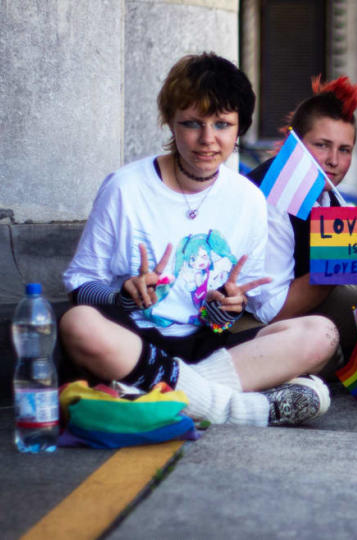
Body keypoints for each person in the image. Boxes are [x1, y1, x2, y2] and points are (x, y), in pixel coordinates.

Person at [60, 53, 336, 428]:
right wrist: (123, 296)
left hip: (204, 348)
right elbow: (79, 284)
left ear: (239, 129)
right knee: (78, 324)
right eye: (193, 124)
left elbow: (232, 311)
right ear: (171, 123)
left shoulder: (248, 199)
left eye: (222, 124)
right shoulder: (125, 188)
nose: (208, 140)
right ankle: (236, 410)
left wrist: (226, 307)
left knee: (320, 333)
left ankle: (157, 401)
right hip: (132, 342)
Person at [245, 76, 357, 377]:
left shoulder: (330, 196)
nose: (333, 161)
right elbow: (270, 310)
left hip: (301, 309)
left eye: (344, 150)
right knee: (329, 348)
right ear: (295, 144)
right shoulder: (276, 193)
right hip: (243, 323)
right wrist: (339, 265)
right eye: (322, 145)